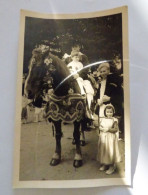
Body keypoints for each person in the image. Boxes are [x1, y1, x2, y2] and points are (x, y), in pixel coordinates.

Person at [97, 104, 121, 174]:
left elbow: (115, 130)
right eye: (107, 112)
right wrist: (101, 128)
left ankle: (112, 166)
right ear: (105, 112)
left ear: (113, 112)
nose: (109, 114)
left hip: (110, 138)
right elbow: (100, 127)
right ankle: (105, 164)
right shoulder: (103, 119)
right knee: (104, 150)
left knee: (110, 151)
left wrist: (107, 129)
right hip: (104, 137)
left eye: (111, 112)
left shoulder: (114, 120)